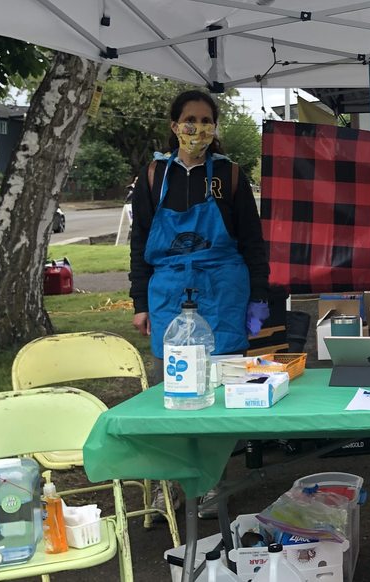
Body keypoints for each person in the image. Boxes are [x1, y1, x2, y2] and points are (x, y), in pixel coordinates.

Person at [129, 90, 271, 518]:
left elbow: (252, 241)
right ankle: (170, 485)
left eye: (206, 121)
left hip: (224, 290)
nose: (197, 128)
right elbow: (139, 243)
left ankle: (212, 482)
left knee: (221, 392)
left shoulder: (229, 175)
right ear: (174, 126)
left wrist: (258, 298)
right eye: (189, 120)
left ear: (215, 127)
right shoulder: (154, 175)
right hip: (170, 291)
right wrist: (140, 301)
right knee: (173, 391)